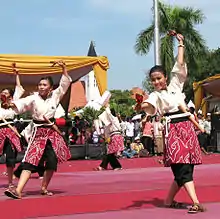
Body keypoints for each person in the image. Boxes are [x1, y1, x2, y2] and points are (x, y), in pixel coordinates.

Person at [141, 33, 205, 214]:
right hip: (173, 131)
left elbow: (179, 66)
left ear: (165, 78)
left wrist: (181, 44)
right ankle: (196, 202)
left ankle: (168, 201)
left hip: (187, 129)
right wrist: (141, 103)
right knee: (182, 167)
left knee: (186, 168)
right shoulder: (155, 95)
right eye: (153, 80)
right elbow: (149, 105)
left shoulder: (176, 86)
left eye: (159, 78)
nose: (156, 82)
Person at [4, 60, 72, 199]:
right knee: (30, 160)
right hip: (38, 133)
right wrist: (11, 104)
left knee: (52, 161)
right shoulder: (33, 98)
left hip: (52, 133)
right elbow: (22, 104)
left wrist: (64, 68)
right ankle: (17, 190)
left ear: (50, 88)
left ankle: (44, 188)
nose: (41, 87)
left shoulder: (55, 96)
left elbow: (65, 84)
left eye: (44, 85)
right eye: (40, 85)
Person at [0, 63, 24, 188]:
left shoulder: (13, 104)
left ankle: (10, 182)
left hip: (10, 131)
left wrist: (17, 74)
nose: (3, 94)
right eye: (2, 93)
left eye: (6, 93)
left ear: (10, 95)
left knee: (10, 158)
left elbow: (19, 88)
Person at [94, 104, 124, 170]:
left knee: (110, 153)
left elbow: (109, 114)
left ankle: (116, 166)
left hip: (116, 136)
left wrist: (107, 106)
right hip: (114, 136)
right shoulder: (112, 121)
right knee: (110, 153)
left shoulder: (114, 119)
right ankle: (104, 166)